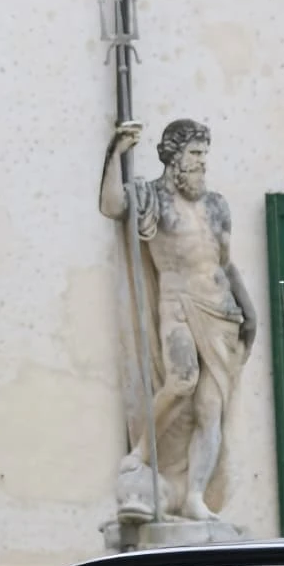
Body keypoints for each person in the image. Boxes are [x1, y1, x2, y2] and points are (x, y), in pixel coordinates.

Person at [99, 119, 257, 522]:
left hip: (221, 310)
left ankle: (195, 496)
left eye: (205, 155)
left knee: (210, 408)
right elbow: (111, 205)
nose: (202, 163)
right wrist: (114, 153)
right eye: (195, 155)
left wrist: (247, 306)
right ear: (173, 158)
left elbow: (224, 262)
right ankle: (141, 453)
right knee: (182, 380)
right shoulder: (150, 198)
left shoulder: (216, 205)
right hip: (178, 304)